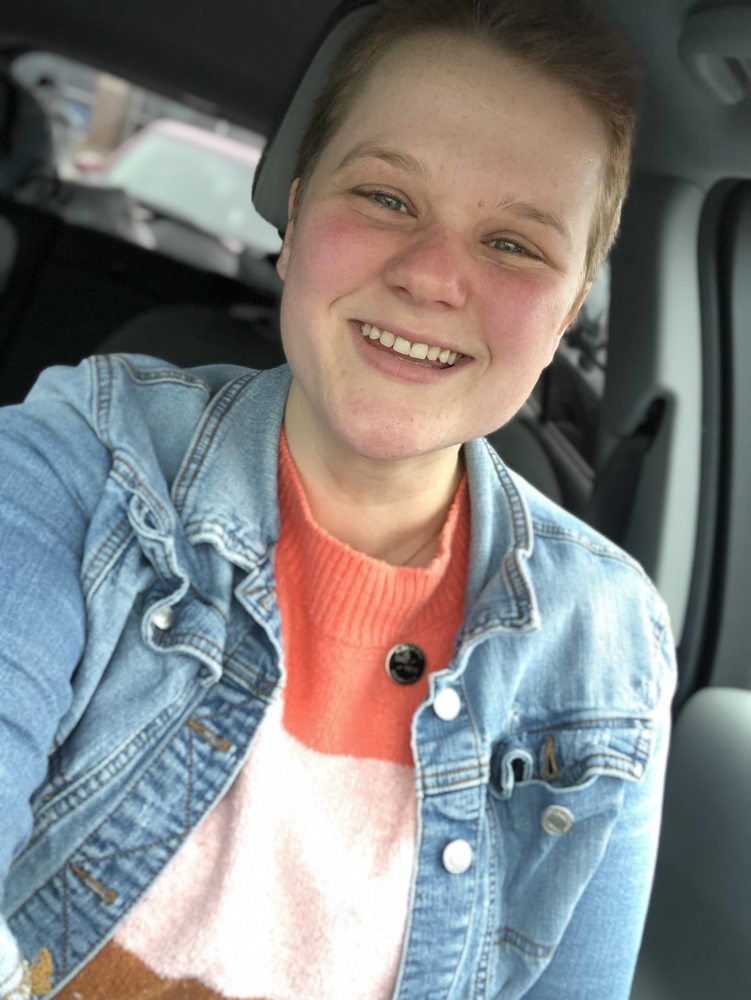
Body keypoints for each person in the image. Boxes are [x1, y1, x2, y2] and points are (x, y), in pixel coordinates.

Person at [0, 0, 676, 998]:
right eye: (386, 197)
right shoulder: (79, 460)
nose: (432, 277)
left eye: (513, 244)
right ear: (296, 216)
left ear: (567, 311)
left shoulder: (609, 644)